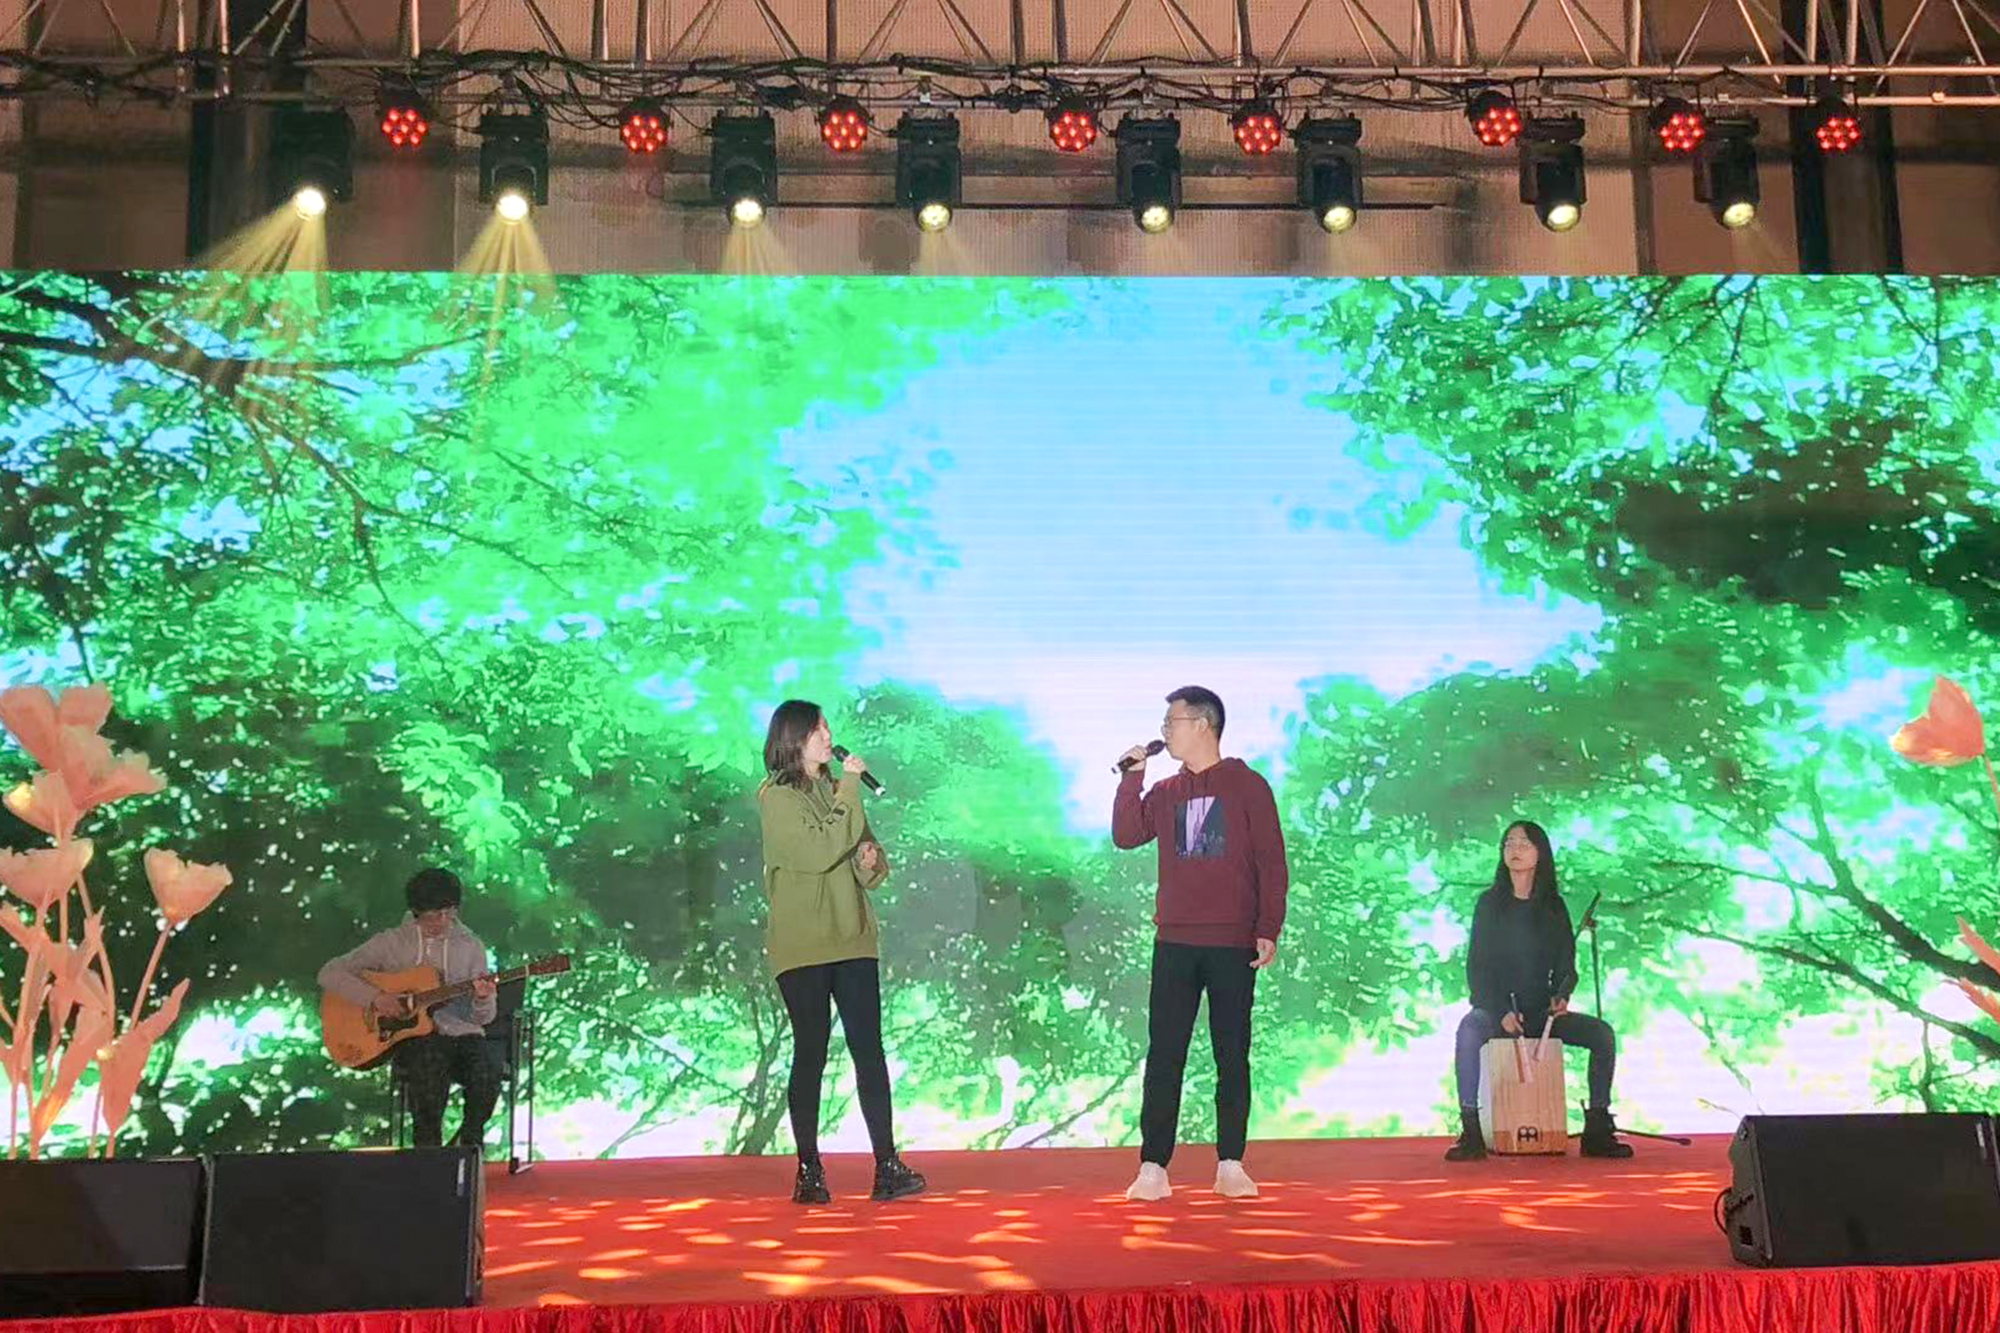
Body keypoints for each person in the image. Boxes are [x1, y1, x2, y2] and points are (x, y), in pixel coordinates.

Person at [1113, 685, 1288, 1201]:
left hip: (1233, 941)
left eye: (1173, 722)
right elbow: (1127, 834)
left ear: (1204, 725)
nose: (1166, 732)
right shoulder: (1165, 791)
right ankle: (1153, 1166)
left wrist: (1268, 926)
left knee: (1231, 1054)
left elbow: (1271, 860)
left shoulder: (1247, 785)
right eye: (1165, 724)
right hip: (1175, 940)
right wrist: (1131, 779)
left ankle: (1230, 1162)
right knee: (1165, 1053)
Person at [757, 699, 925, 1206]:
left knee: (868, 1048)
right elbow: (816, 851)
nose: (829, 737)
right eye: (819, 729)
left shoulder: (838, 790)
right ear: (794, 738)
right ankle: (809, 1169)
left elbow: (861, 858)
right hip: (803, 944)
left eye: (828, 728)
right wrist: (851, 787)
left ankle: (887, 1165)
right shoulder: (776, 796)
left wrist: (870, 862)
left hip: (852, 936)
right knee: (811, 1049)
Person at [1444, 820, 1633, 1161]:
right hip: (1498, 1011)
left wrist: (1562, 996)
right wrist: (1500, 1011)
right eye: (1509, 843)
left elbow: (1566, 966)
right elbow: (1477, 968)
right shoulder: (1489, 904)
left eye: (1523, 844)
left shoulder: (1553, 906)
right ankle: (1470, 1129)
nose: (1514, 850)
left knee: (1601, 1034)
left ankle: (1597, 1126)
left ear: (1540, 853)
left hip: (1541, 1013)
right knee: (1469, 1028)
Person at [318, 867, 501, 1149]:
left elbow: (482, 1018)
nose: (442, 921)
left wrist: (483, 998)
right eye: (433, 915)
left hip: (462, 1035)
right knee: (428, 1061)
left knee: (487, 1068)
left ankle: (469, 1145)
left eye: (448, 913)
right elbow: (329, 973)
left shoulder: (471, 946)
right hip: (415, 1042)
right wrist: (376, 998)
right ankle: (427, 1152)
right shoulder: (391, 943)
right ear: (416, 912)